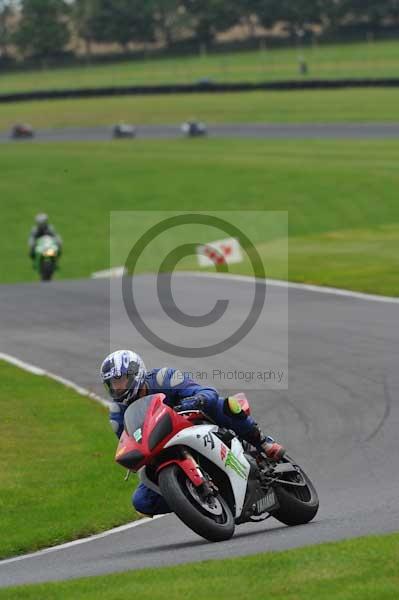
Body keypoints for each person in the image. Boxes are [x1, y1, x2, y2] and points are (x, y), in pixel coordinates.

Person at [101, 349, 285, 517]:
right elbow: (131, 441)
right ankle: (193, 500)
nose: (117, 387)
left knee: (223, 405)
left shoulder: (163, 378)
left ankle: (262, 442)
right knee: (142, 501)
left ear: (136, 373)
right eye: (113, 384)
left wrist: (196, 399)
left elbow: (205, 391)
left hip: (192, 425)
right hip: (161, 449)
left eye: (121, 380)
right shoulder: (118, 414)